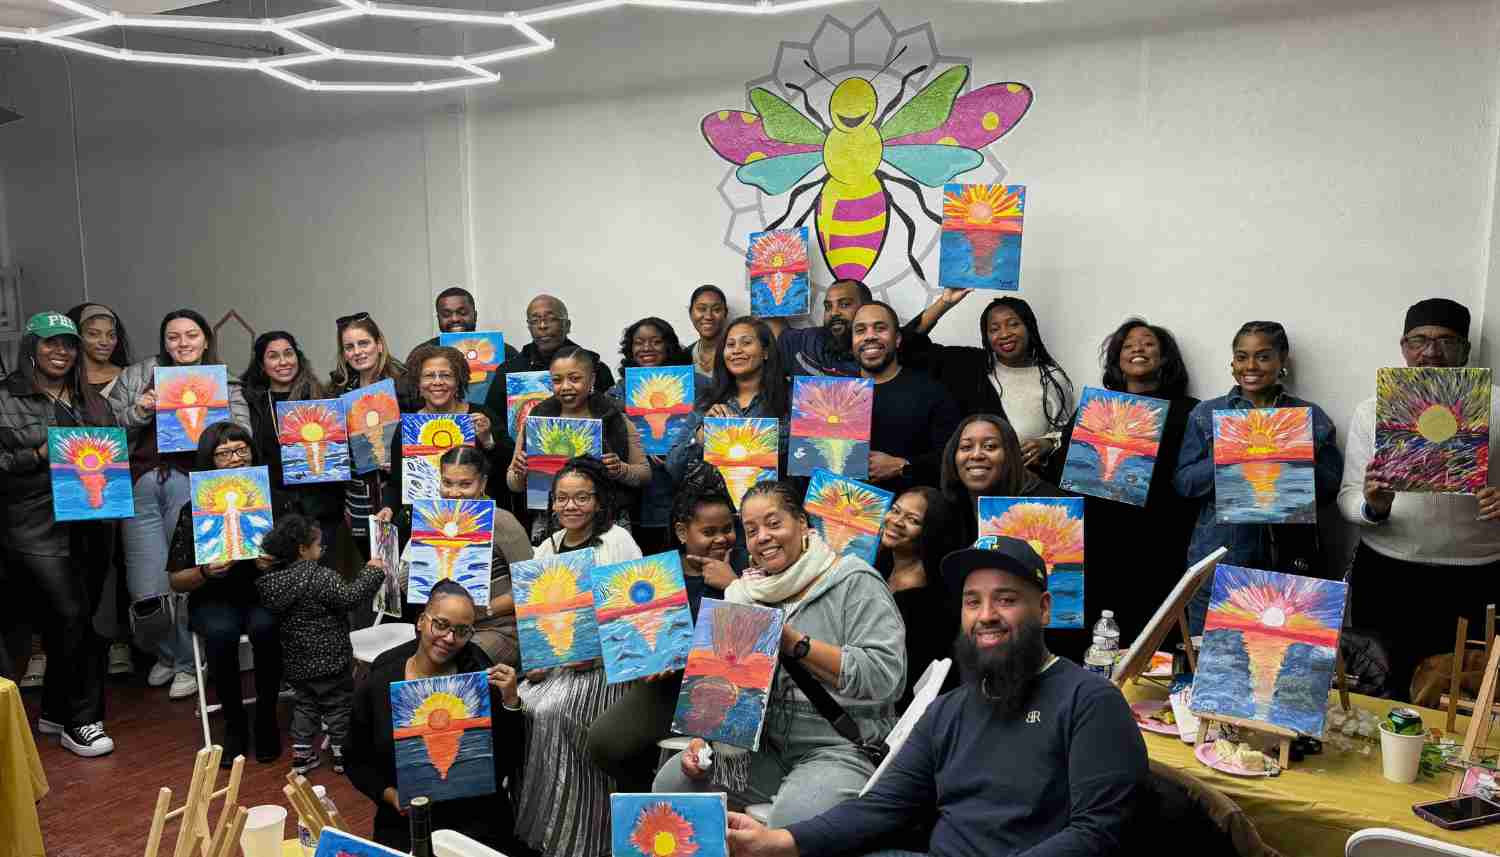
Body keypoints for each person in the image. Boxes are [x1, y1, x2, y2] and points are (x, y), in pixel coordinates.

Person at [724, 535, 1148, 857]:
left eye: (1006, 599)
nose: (986, 616)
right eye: (972, 602)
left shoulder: (1091, 701)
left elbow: (1098, 833)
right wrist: (778, 841)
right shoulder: (950, 709)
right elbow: (882, 807)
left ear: (1045, 609)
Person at [653, 480, 905, 828]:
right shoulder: (745, 593)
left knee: (792, 820)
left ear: (802, 523)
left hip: (839, 747)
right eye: (752, 530)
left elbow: (886, 678)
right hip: (766, 748)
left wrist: (796, 644)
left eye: (774, 523)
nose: (762, 537)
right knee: (672, 784)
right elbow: (725, 698)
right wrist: (706, 735)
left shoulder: (856, 581)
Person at [1338, 298, 1500, 700]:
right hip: (1389, 573)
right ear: (1403, 347)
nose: (1431, 352)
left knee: (1460, 697)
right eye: (1419, 340)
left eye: (1446, 341)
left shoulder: (1497, 405)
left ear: (1465, 349)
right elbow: (1347, 497)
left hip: (1476, 574)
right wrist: (1374, 506)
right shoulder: (1372, 409)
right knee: (1383, 689)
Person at [109, 309, 251, 700]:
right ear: (164, 342)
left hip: (194, 485)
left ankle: (190, 662)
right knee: (145, 585)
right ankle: (168, 654)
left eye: (191, 335)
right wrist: (140, 409)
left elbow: (243, 438)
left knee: (186, 577)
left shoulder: (224, 380)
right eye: (174, 337)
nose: (183, 343)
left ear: (206, 340)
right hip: (140, 483)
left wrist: (214, 421)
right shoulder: (138, 375)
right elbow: (105, 430)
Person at [1175, 321, 1342, 633]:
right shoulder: (1205, 414)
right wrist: (1227, 455)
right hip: (1220, 559)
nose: (1250, 366)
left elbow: (1332, 490)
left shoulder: (1311, 417)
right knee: (1210, 660)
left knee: (1285, 663)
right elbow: (1184, 484)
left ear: (1282, 361)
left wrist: (1292, 460)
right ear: (1232, 363)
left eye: (1263, 357)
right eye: (1242, 357)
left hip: (1290, 561)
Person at [0, 312, 117, 756]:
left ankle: (53, 708)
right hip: (32, 527)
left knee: (82, 620)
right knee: (70, 618)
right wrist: (36, 454)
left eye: (68, 344)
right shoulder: (5, 398)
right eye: (50, 343)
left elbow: (111, 450)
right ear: (30, 346)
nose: (61, 352)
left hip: (91, 522)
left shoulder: (91, 400)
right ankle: (81, 721)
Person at [515, 456, 642, 857]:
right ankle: (541, 825)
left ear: (599, 501)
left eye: (582, 498)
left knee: (553, 710)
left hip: (607, 665)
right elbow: (533, 620)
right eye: (563, 499)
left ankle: (581, 834)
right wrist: (534, 660)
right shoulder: (544, 550)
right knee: (522, 705)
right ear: (552, 503)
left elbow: (637, 616)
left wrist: (598, 657)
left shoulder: (618, 542)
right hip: (554, 664)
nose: (571, 506)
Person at [345, 580, 526, 853]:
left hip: (475, 818)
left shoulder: (478, 678)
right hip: (405, 821)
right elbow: (355, 758)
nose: (450, 638)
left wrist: (511, 702)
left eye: (462, 631)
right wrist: (391, 796)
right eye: (440, 624)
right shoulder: (381, 680)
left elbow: (508, 760)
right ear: (420, 621)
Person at [586, 483, 743, 792]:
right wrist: (647, 661)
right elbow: (632, 639)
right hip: (667, 684)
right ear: (683, 533)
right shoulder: (657, 574)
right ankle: (648, 798)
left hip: (727, 687)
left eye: (727, 529)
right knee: (604, 742)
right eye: (709, 532)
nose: (721, 538)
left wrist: (734, 586)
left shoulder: (746, 569)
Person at [1056, 319, 1199, 644]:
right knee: (1100, 635)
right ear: (1117, 359)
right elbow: (1066, 471)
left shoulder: (1190, 412)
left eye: (1149, 344)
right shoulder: (1095, 409)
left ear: (1165, 358)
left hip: (1162, 541)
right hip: (1102, 539)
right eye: (1128, 344)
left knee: (1155, 636)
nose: (1138, 348)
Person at [166, 422, 281, 764]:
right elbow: (176, 578)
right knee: (220, 632)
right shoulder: (194, 509)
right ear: (209, 460)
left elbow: (303, 557)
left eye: (241, 449)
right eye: (224, 453)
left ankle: (266, 718)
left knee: (266, 627)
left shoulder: (275, 499)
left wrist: (273, 564)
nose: (234, 458)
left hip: (263, 589)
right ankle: (233, 724)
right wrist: (204, 571)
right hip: (214, 594)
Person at [256, 513, 385, 774]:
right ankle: (341, 754)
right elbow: (350, 597)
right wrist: (372, 572)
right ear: (303, 550)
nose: (322, 550)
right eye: (319, 546)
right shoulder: (322, 577)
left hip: (297, 662)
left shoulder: (271, 583)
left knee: (305, 705)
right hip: (331, 659)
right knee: (338, 706)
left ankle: (302, 756)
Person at [922, 295, 1075, 476]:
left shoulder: (1053, 379)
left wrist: (1047, 444)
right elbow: (907, 346)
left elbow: (1065, 436)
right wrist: (944, 302)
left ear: (1029, 327)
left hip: (1026, 485)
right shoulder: (968, 366)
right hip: (971, 484)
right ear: (986, 337)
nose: (1004, 334)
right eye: (994, 329)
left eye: (1013, 324)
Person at [506, 346, 647, 539]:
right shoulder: (537, 418)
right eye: (557, 380)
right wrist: (519, 472)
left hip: (607, 524)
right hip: (550, 525)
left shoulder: (614, 418)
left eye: (575, 378)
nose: (565, 386)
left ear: (592, 379)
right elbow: (514, 484)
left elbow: (644, 474)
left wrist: (620, 469)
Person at [66, 301, 136, 676]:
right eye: (93, 333)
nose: (104, 341)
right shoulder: (61, 378)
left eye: (111, 334)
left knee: (114, 560)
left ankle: (116, 641)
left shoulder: (128, 378)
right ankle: (52, 646)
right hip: (68, 484)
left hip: (117, 482)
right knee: (68, 563)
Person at [482, 295, 617, 485]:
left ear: (567, 325)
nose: (543, 325)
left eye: (551, 318)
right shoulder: (510, 370)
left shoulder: (594, 367)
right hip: (526, 470)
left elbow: (610, 418)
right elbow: (495, 421)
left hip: (586, 471)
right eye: (535, 320)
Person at [429, 446, 531, 668]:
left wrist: (483, 609)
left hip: (497, 629)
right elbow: (410, 580)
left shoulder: (502, 522)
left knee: (458, 665)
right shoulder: (433, 522)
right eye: (447, 483)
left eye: (465, 484)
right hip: (444, 629)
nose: (454, 492)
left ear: (482, 483)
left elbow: (531, 588)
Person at [242, 331, 342, 554]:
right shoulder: (251, 404)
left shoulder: (322, 399)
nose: (283, 361)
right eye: (273, 356)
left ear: (298, 357)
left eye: (288, 353)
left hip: (320, 510)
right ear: (261, 364)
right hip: (274, 509)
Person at [666, 316, 792, 483]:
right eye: (730, 345)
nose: (736, 350)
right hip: (717, 504)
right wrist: (701, 436)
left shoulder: (791, 398)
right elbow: (673, 468)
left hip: (771, 502)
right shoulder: (707, 401)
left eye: (746, 343)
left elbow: (807, 459)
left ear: (766, 352)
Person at [853, 302, 961, 494]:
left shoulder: (932, 393)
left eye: (880, 328)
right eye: (860, 330)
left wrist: (903, 465)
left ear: (897, 339)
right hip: (842, 513)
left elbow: (952, 458)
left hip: (909, 516)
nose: (869, 336)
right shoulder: (830, 394)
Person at [380, 344, 501, 516]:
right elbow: (396, 483)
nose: (437, 382)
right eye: (429, 376)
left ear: (458, 381)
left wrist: (488, 441)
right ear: (418, 384)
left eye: (446, 375)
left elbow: (505, 475)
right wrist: (388, 508)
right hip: (423, 520)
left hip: (477, 519)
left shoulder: (481, 418)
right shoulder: (408, 427)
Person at [606, 316, 692, 553]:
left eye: (655, 341)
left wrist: (678, 447)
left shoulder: (690, 386)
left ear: (668, 346)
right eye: (639, 342)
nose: (646, 348)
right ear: (630, 348)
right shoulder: (618, 391)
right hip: (635, 492)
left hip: (675, 486)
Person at [875, 486, 960, 710]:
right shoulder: (882, 565)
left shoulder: (926, 597)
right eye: (895, 510)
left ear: (929, 532)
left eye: (912, 520)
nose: (896, 521)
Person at [329, 313, 406, 561]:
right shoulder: (339, 391)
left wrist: (398, 461)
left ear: (379, 345)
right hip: (357, 499)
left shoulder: (404, 386)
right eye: (349, 347)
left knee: (402, 574)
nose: (357, 352)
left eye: (364, 343)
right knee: (373, 572)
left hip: (398, 496)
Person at [764, 279, 942, 377]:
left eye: (844, 304)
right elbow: (777, 331)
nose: (834, 313)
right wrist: (767, 275)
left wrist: (945, 301)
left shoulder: (878, 350)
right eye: (828, 307)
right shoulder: (809, 340)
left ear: (866, 308)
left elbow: (915, 330)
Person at [940, 414, 1065, 547]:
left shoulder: (1052, 507)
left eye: (990, 446)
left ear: (1010, 455)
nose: (976, 455)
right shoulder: (947, 511)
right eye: (966, 447)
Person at [420, 285, 522, 359]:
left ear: (475, 316)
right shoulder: (422, 353)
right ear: (438, 318)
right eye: (446, 315)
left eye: (463, 312)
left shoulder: (504, 352)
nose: (455, 319)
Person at [687, 285, 730, 388]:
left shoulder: (736, 353)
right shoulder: (684, 356)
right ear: (690, 313)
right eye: (701, 309)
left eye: (716, 309)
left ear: (725, 313)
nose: (708, 316)